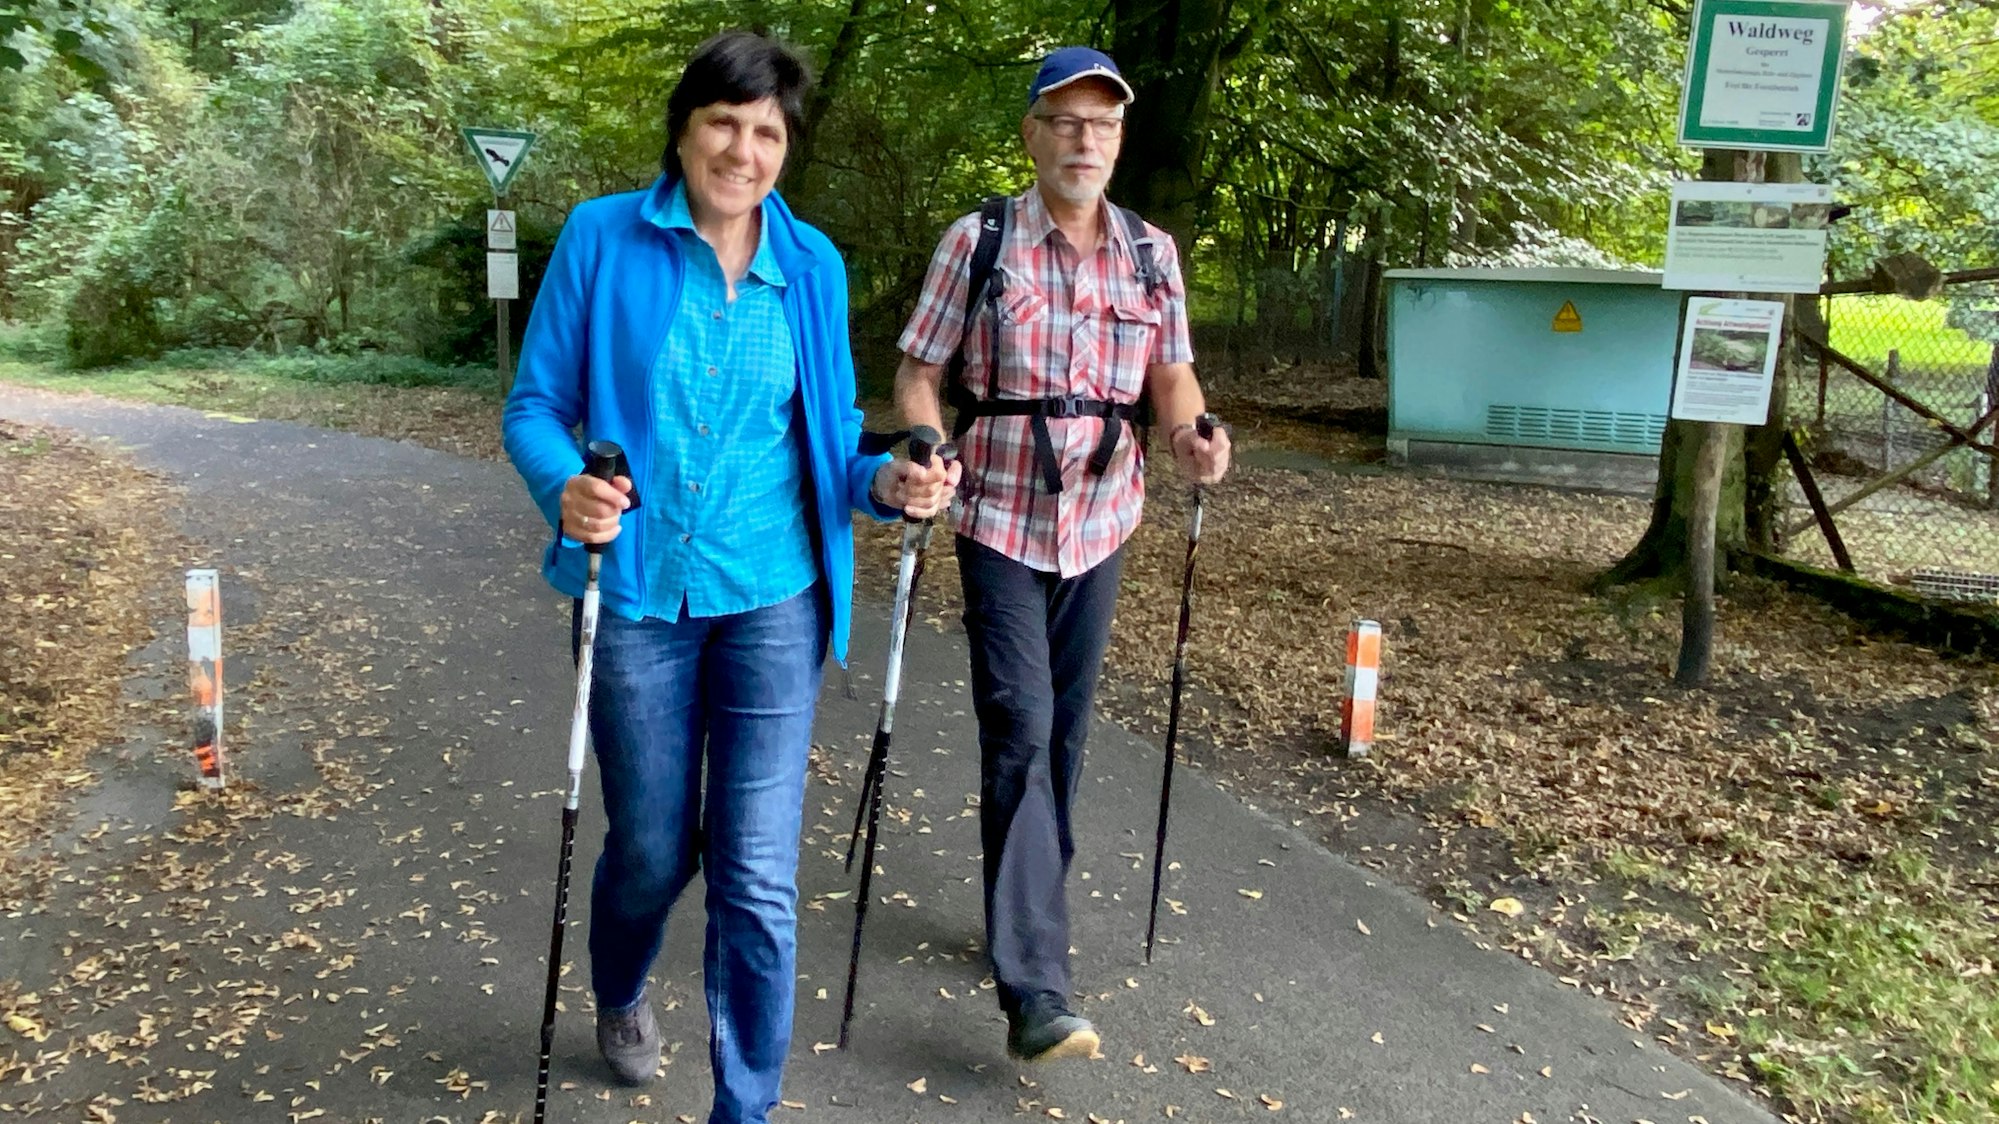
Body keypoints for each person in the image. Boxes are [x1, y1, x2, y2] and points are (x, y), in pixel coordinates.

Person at [501, 30, 954, 1124]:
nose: (743, 150)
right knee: (653, 847)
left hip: (773, 600)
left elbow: (835, 447)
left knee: (755, 872)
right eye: (723, 122)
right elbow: (534, 408)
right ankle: (618, 989)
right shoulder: (603, 238)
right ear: (684, 127)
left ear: (785, 147)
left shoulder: (813, 267)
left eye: (766, 131)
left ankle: (744, 1104)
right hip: (641, 596)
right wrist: (567, 485)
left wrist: (887, 484)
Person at [891, 46, 1230, 1062]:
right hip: (995, 510)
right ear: (1032, 134)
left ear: (1119, 140)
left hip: (1103, 515)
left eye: (1104, 124)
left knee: (1065, 735)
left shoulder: (1149, 253)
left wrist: (1190, 436)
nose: (1086, 140)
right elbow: (918, 375)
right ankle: (1036, 984)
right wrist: (927, 442)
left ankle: (1018, 904)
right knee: (1021, 725)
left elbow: (1171, 376)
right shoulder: (978, 240)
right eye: (1066, 121)